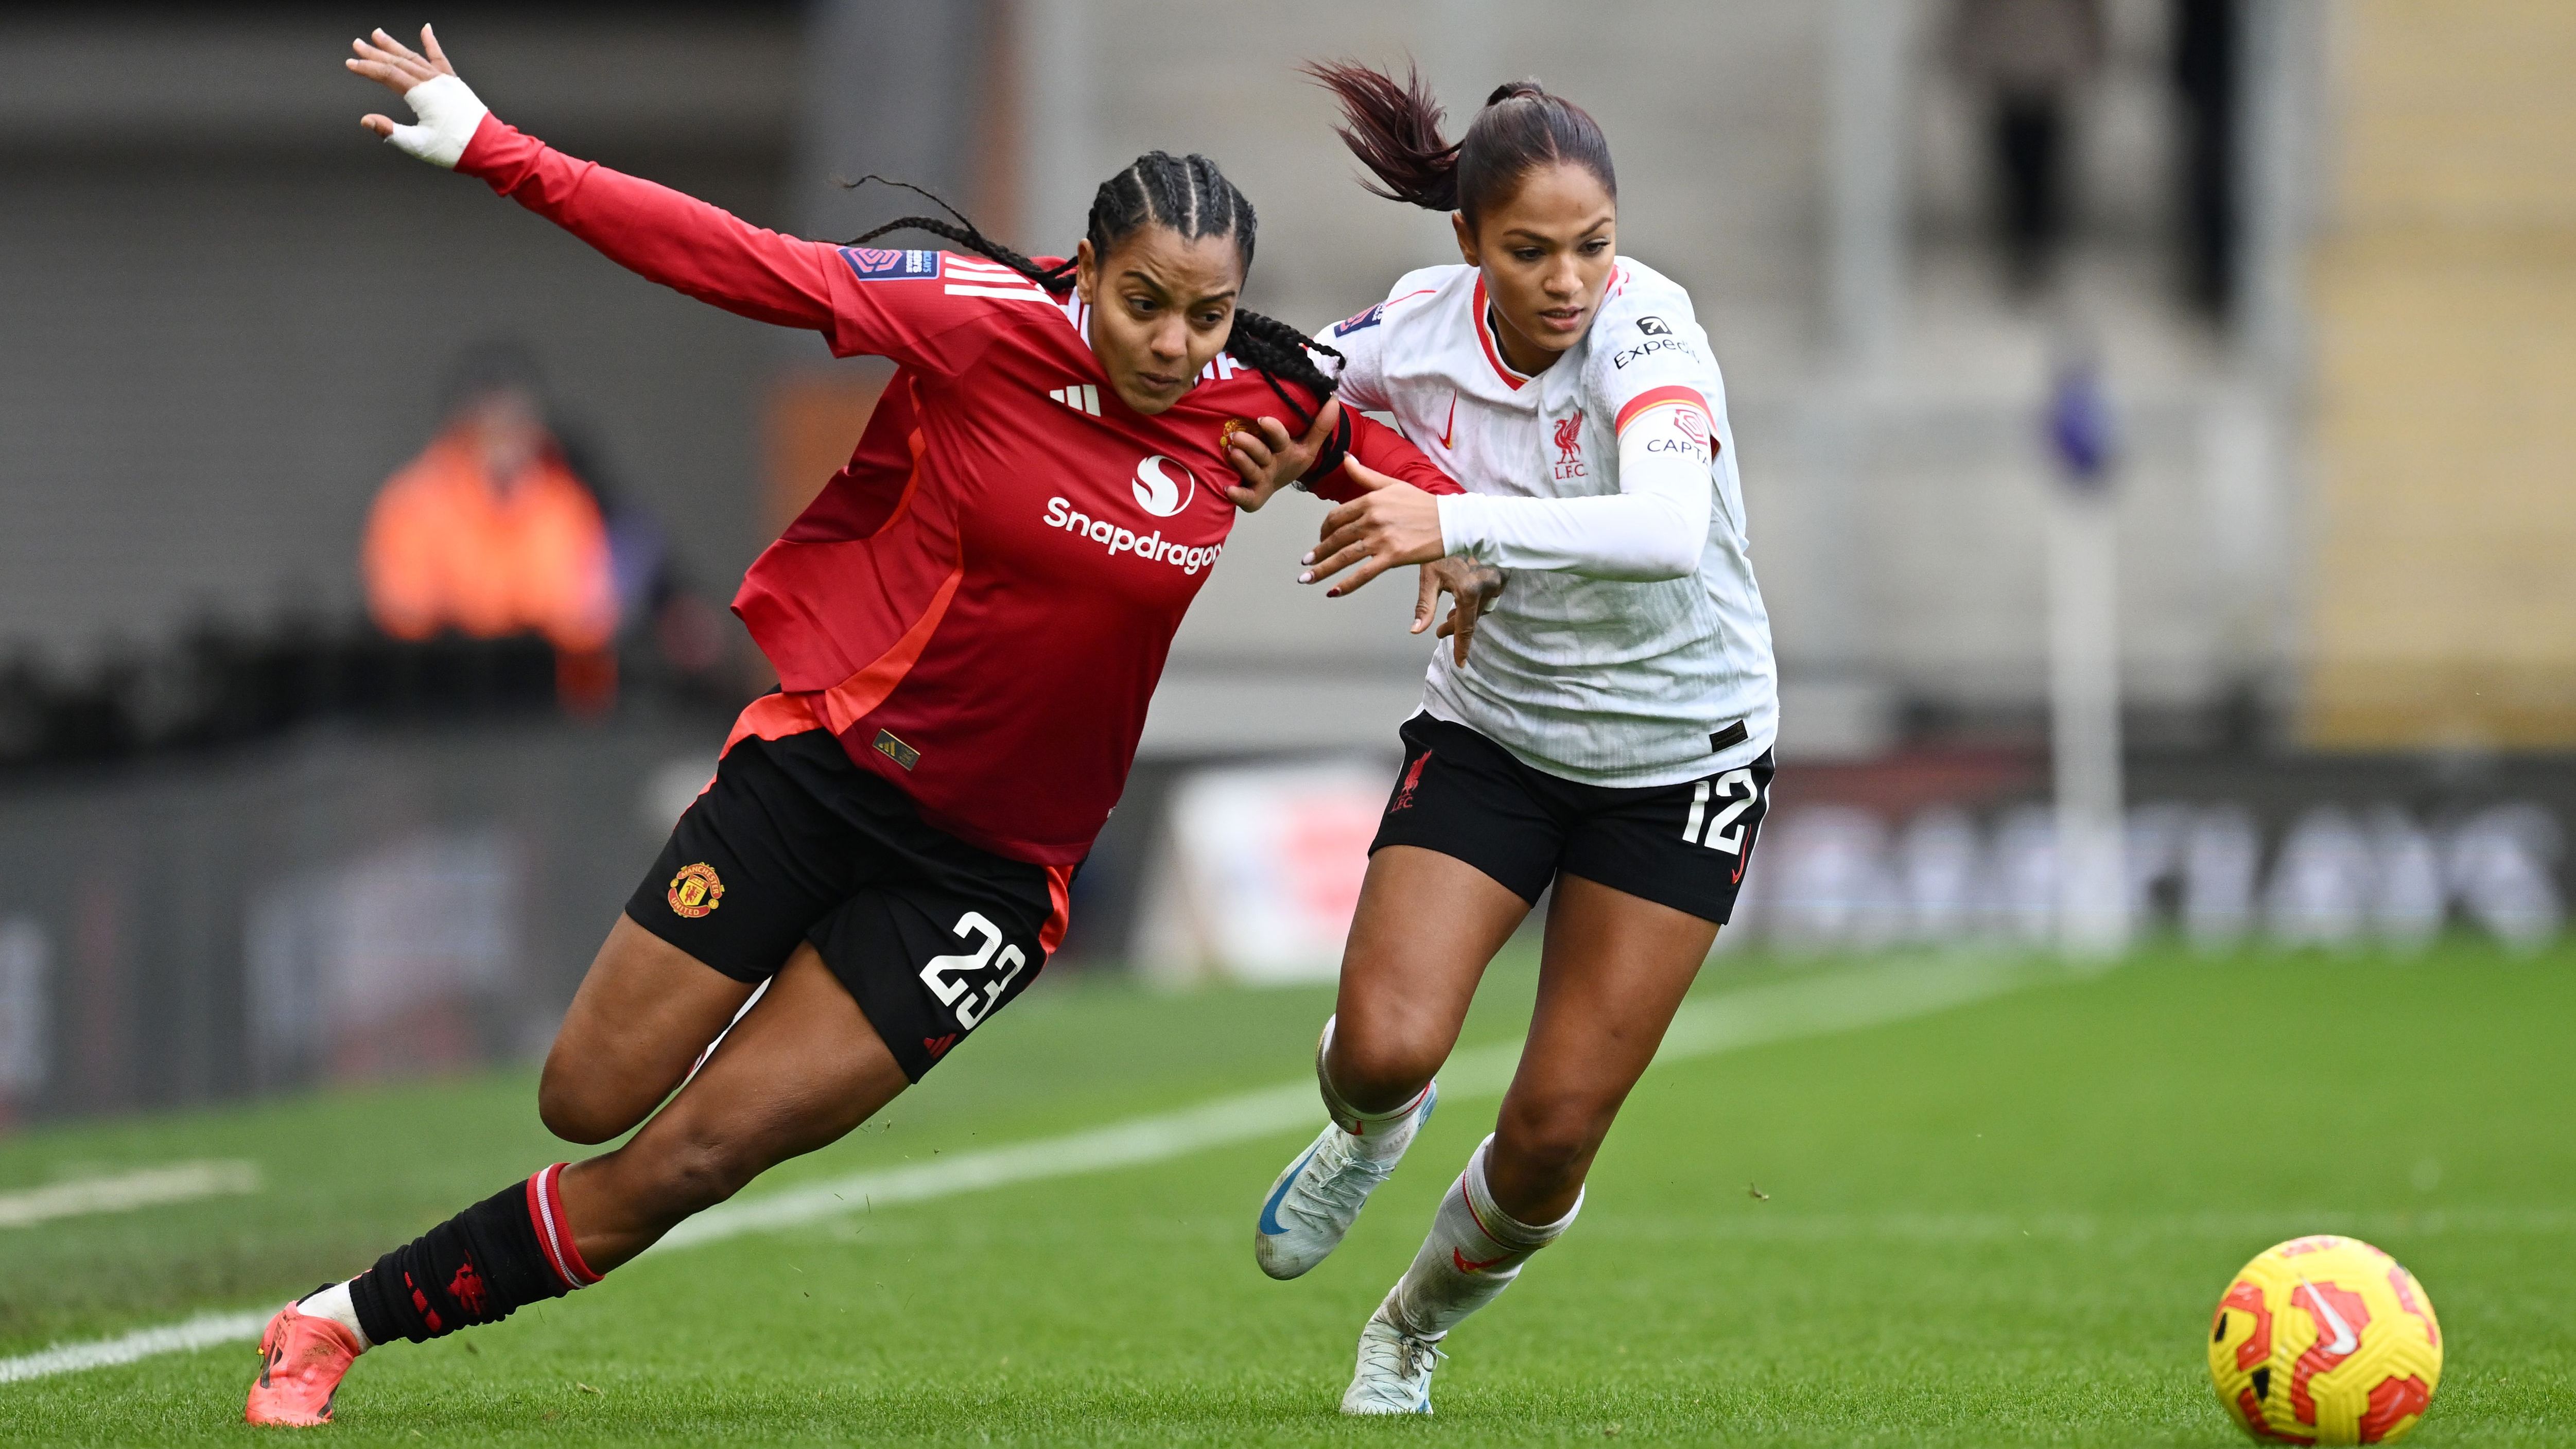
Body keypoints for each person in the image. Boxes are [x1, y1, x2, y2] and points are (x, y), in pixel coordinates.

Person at [245, 26, 1463, 1427]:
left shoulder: (1266, 398)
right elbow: (740, 259)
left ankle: (333, 1323)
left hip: (990, 878)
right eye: (1144, 307)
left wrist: (1444, 537)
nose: (1175, 346)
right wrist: (495, 147)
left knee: (695, 1155)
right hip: (823, 775)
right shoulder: (976, 318)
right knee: (586, 1095)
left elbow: (1411, 470)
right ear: (1086, 270)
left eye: (1206, 314)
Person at [1245, 64, 1780, 1415]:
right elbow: (1275, 375)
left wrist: (1448, 519)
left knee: (1548, 1133)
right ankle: (1375, 1126)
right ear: (1468, 245)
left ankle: (1409, 1326)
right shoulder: (1419, 327)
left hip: (1680, 761)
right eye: (1530, 249)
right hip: (1497, 731)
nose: (1568, 277)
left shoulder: (1650, 332)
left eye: (1590, 242)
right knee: (1378, 1047)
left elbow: (1663, 533)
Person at [361, 342, 621, 712]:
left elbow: (588, 618)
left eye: (517, 426)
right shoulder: (413, 503)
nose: (505, 445)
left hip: (543, 704)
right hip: (442, 702)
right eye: (490, 428)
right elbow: (405, 617)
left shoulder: (565, 504)